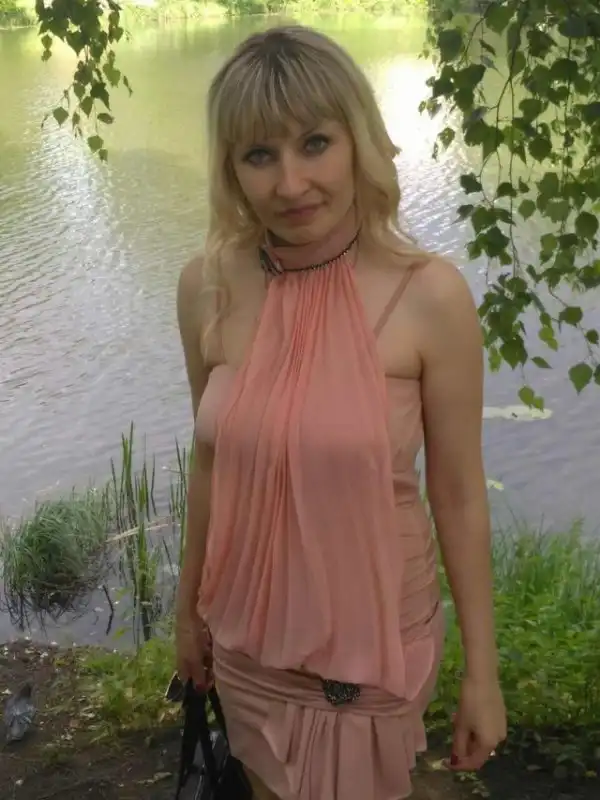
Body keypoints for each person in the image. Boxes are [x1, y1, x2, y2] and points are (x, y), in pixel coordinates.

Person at [175, 24, 506, 800]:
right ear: (231, 168)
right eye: (260, 155)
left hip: (372, 646)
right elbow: (211, 464)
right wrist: (188, 613)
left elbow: (459, 496)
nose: (291, 183)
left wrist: (483, 674)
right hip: (247, 637)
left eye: (315, 143)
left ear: (358, 139)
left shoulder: (430, 296)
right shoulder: (205, 286)